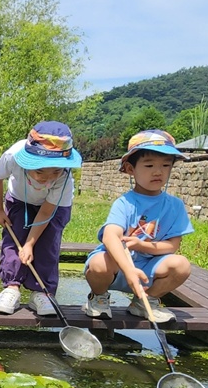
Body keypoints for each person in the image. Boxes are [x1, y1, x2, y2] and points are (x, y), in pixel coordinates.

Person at [82, 130, 193, 322]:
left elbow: (172, 246)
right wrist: (129, 270)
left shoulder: (175, 205)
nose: (158, 172)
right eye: (149, 165)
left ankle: (145, 301)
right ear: (130, 169)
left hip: (150, 267)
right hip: (118, 265)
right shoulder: (125, 203)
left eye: (166, 165)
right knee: (98, 264)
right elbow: (110, 236)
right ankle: (98, 298)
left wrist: (142, 246)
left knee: (181, 266)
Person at [0, 121, 82, 315]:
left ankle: (42, 292)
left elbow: (46, 212)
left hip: (53, 207)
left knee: (47, 244)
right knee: (14, 238)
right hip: (19, 200)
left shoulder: (64, 179)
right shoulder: (12, 156)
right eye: (40, 171)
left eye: (55, 171)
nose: (47, 178)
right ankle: (11, 288)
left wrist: (30, 244)